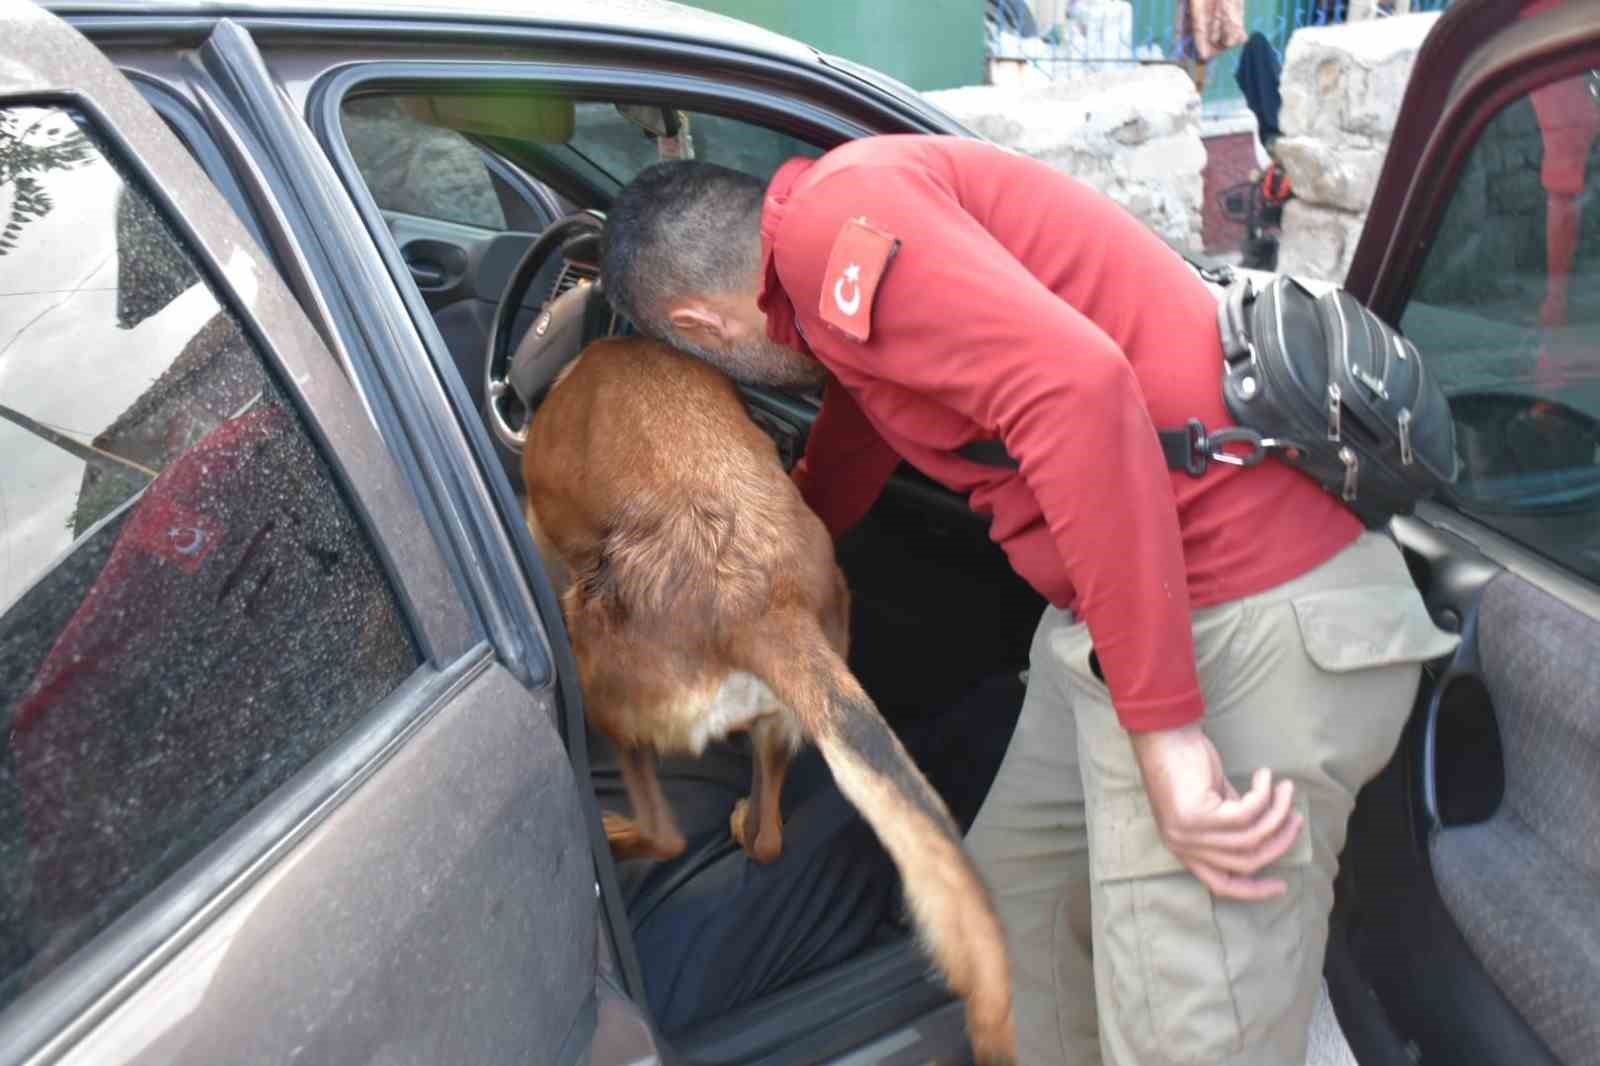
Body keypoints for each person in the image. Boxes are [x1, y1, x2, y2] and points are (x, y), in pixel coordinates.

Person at [598, 134, 1459, 1065]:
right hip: (1120, 615)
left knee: (1190, 1037)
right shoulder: (833, 249)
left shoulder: (829, 236)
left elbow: (1081, 392)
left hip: (1241, 612)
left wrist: (1166, 738)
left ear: (702, 324)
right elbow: (865, 416)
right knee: (1012, 924)